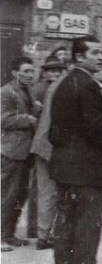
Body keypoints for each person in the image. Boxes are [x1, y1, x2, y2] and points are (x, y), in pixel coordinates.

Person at [49, 36, 102, 264]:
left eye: (101, 52)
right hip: (87, 170)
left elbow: (56, 131)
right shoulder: (88, 85)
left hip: (65, 167)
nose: (101, 57)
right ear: (79, 57)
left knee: (67, 224)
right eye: (95, 53)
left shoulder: (65, 82)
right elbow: (95, 126)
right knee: (87, 228)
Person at [1, 56, 39, 252]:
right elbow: (3, 120)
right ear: (15, 73)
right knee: (7, 194)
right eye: (26, 71)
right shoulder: (6, 92)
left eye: (32, 71)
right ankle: (1, 238)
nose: (30, 75)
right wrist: (28, 118)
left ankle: (9, 234)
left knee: (19, 195)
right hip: (11, 151)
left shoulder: (28, 91)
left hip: (25, 152)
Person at [28, 57, 67, 250]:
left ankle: (43, 234)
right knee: (50, 192)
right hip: (49, 146)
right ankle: (46, 234)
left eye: (59, 70)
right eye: (52, 70)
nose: (56, 73)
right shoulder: (53, 89)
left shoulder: (48, 88)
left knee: (45, 192)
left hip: (42, 144)